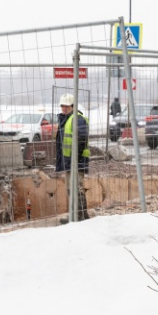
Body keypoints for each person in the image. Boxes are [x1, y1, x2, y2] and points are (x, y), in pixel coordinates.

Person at [55, 93, 89, 223]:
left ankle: (78, 216)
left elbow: (81, 140)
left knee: (77, 187)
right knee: (71, 188)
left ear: (73, 106)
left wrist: (76, 159)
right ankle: (80, 215)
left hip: (77, 161)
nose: (64, 109)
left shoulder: (77, 119)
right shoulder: (66, 119)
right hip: (69, 160)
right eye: (62, 106)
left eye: (67, 106)